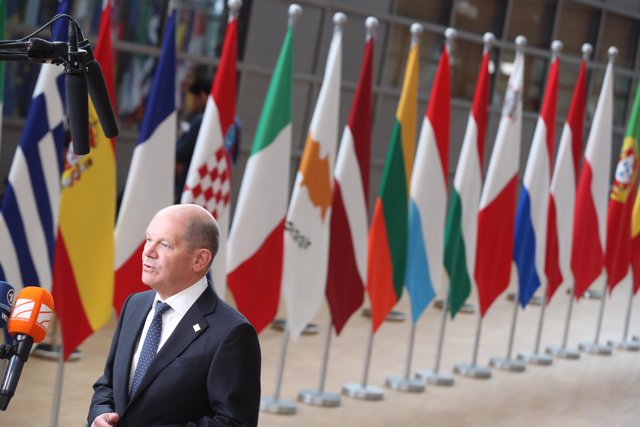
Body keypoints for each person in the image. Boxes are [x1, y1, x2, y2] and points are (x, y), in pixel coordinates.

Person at [88, 204, 261, 426]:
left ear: (200, 259)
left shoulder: (232, 333)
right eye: (149, 239)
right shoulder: (134, 305)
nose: (148, 251)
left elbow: (234, 422)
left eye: (165, 244)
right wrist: (99, 414)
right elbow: (108, 384)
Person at [175, 77, 212, 203]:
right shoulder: (234, 125)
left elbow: (180, 152)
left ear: (202, 96)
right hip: (215, 188)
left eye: (195, 99)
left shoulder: (201, 120)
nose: (194, 104)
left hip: (193, 184)